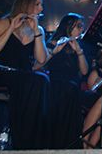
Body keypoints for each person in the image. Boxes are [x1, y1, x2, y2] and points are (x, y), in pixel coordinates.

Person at [0, 0, 50, 150]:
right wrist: (10, 29)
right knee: (36, 81)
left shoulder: (39, 30)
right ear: (26, 4)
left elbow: (41, 59)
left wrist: (36, 31)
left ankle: (29, 139)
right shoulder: (5, 22)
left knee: (41, 79)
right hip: (2, 73)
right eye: (37, 4)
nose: (41, 9)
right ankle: (19, 137)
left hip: (24, 77)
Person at [35, 13, 91, 148]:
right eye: (78, 26)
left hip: (72, 85)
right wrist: (55, 51)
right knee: (64, 90)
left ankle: (69, 142)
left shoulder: (80, 46)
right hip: (54, 83)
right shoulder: (53, 42)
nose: (81, 30)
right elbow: (37, 65)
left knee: (71, 89)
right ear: (68, 27)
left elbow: (84, 72)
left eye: (81, 27)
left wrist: (79, 51)